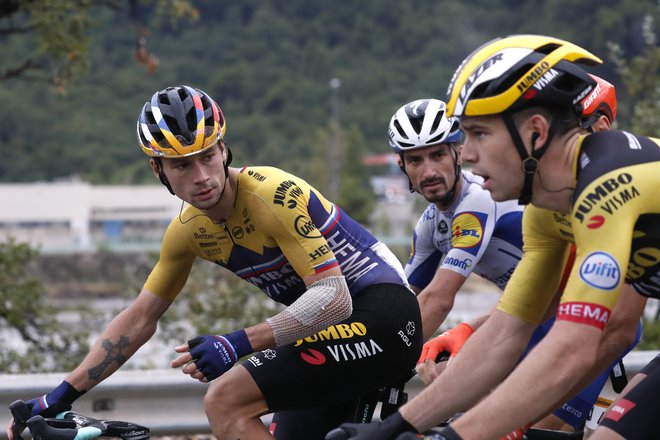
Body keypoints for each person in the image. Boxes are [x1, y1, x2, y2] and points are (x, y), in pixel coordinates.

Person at [6, 85, 423, 440]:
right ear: (159, 171)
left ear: (224, 149)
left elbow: (334, 298)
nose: (202, 176)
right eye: (182, 165)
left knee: (226, 399)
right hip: (329, 336)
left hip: (383, 314)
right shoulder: (188, 232)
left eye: (207, 156)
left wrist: (236, 343)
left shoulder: (271, 195)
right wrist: (62, 394)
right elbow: (138, 318)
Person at [327, 34, 659, 439]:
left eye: (478, 134)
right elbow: (506, 332)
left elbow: (579, 344)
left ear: (535, 132)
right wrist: (398, 427)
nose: (465, 154)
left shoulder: (607, 184)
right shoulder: (543, 213)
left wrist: (452, 436)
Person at [389, 91, 642, 434]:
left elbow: (437, 298)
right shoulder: (430, 226)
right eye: (416, 161)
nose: (429, 170)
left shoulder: (477, 199)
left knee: (536, 428)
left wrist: (380, 357)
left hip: (588, 315)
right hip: (538, 315)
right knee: (447, 372)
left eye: (437, 155)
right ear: (402, 166)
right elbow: (405, 305)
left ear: (457, 152)